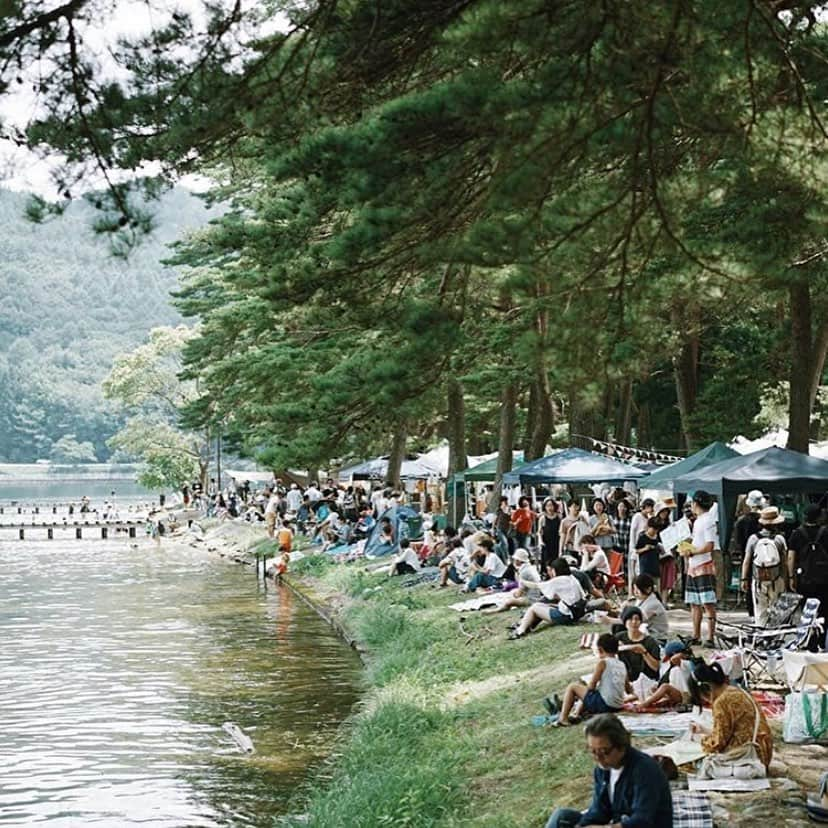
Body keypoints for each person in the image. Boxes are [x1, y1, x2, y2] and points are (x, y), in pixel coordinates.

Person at [544, 714, 674, 828]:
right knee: (561, 817)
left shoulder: (645, 770)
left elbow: (642, 820)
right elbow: (600, 811)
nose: (598, 758)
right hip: (618, 823)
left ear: (622, 746)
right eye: (593, 751)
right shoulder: (603, 769)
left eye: (604, 752)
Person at [688, 661, 773, 770]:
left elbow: (718, 743)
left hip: (749, 757)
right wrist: (705, 731)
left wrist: (703, 741)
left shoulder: (721, 701)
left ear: (706, 687)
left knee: (704, 764)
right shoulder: (737, 691)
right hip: (762, 751)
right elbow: (733, 730)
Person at [552, 634, 631, 726]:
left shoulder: (603, 663)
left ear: (600, 649)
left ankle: (563, 718)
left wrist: (585, 689)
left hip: (605, 705)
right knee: (588, 693)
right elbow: (628, 690)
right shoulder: (622, 665)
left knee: (573, 687)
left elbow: (591, 686)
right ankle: (575, 713)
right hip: (617, 706)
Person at [508, 557, 585, 638]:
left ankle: (520, 631)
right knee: (541, 606)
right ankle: (526, 625)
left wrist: (522, 581)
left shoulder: (558, 580)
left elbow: (536, 586)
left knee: (534, 608)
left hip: (566, 616)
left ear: (555, 570)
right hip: (576, 613)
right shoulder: (572, 578)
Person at [680, 490, 719, 647]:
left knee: (708, 603)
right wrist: (687, 548)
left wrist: (692, 551)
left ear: (696, 504)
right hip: (694, 565)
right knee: (694, 602)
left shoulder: (708, 520)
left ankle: (710, 637)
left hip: (703, 565)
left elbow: (710, 545)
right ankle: (696, 635)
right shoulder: (698, 521)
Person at [741, 506, 788, 625]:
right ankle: (774, 636)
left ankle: (762, 637)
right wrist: (786, 579)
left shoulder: (753, 539)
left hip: (758, 580)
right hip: (776, 579)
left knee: (760, 611)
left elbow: (747, 561)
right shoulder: (779, 539)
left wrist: (744, 579)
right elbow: (784, 562)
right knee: (776, 610)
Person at [788, 504, 828, 634]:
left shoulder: (797, 533)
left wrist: (791, 576)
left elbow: (791, 558)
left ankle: (807, 638)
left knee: (806, 610)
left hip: (804, 578)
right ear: (819, 517)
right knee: (823, 609)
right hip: (824, 578)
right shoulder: (826, 532)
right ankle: (821, 640)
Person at [633, 641, 692, 710]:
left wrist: (684, 652)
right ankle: (627, 700)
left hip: (685, 696)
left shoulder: (686, 664)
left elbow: (675, 659)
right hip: (673, 694)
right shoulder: (668, 667)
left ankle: (644, 704)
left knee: (665, 687)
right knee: (650, 689)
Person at [615, 606, 661, 681]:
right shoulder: (619, 637)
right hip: (624, 678)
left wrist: (644, 652)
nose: (634, 622)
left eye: (637, 619)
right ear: (625, 621)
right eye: (630, 619)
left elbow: (656, 667)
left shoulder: (650, 641)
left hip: (646, 680)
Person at [627, 498, 654, 588]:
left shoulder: (649, 518)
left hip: (644, 547)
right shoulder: (637, 516)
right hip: (636, 545)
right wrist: (633, 546)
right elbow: (633, 531)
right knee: (633, 570)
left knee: (640, 569)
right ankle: (631, 591)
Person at [538, 498, 562, 573]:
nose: (550, 508)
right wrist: (540, 541)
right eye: (547, 506)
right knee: (546, 561)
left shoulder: (559, 517)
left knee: (556, 561)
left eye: (551, 505)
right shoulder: (543, 518)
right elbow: (539, 532)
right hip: (546, 543)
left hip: (556, 542)